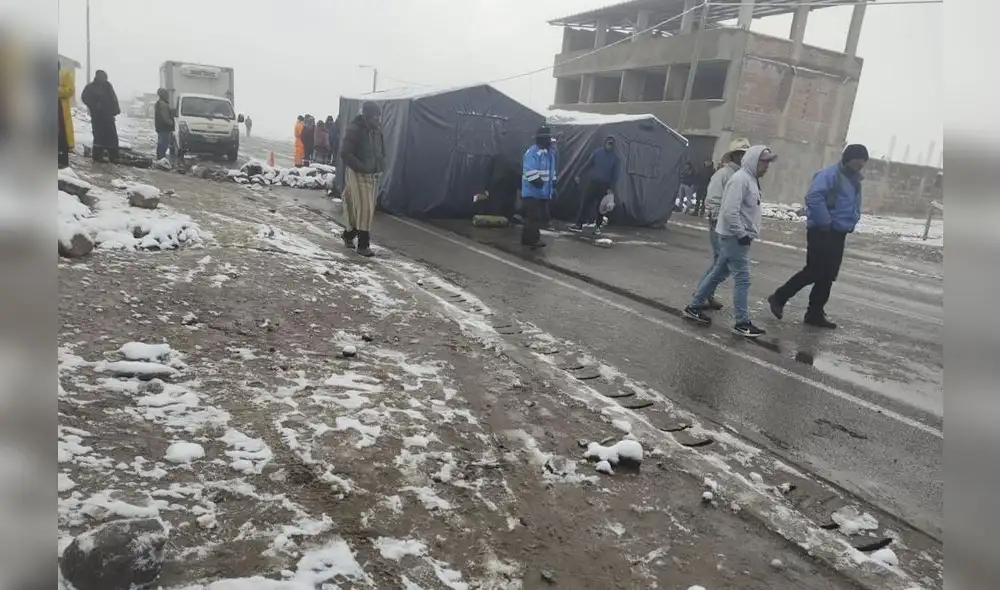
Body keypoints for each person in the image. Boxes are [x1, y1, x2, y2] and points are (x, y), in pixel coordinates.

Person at [767, 144, 868, 329]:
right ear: (848, 159)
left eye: (863, 164)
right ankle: (779, 297)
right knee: (814, 270)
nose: (860, 167)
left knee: (828, 275)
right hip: (823, 230)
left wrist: (852, 222)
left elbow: (851, 204)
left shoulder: (854, 180)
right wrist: (825, 222)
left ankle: (815, 313)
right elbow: (813, 197)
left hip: (839, 232)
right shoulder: (830, 175)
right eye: (858, 163)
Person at [683, 144, 777, 338]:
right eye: (764, 162)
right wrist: (741, 233)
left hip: (739, 237)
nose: (767, 166)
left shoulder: (750, 180)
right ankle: (742, 322)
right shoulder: (740, 180)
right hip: (734, 237)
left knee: (718, 272)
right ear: (752, 160)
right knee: (743, 279)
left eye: (768, 162)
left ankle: (694, 306)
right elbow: (729, 211)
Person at [692, 138, 750, 312]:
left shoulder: (742, 176)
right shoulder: (724, 174)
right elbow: (714, 200)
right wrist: (718, 220)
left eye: (745, 154)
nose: (743, 157)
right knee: (720, 262)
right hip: (721, 224)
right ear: (734, 156)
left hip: (731, 225)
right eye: (740, 154)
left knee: (721, 263)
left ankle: (704, 294)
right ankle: (701, 295)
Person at [339, 101, 386, 257]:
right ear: (367, 116)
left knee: (355, 207)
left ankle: (348, 234)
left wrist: (380, 166)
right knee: (365, 208)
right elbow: (345, 153)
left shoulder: (376, 131)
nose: (378, 119)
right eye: (375, 116)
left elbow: (380, 150)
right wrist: (361, 167)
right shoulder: (355, 129)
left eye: (379, 116)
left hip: (372, 174)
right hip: (357, 172)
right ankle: (363, 244)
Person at [569, 135, 619, 236]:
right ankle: (579, 225)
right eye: (609, 143)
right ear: (605, 143)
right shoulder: (597, 153)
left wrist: (611, 189)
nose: (610, 146)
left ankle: (597, 227)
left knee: (601, 208)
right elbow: (588, 164)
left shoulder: (615, 158)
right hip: (593, 183)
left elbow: (615, 175)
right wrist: (579, 174)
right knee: (585, 203)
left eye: (612, 144)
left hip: (605, 185)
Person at [520, 126, 557, 249]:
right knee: (534, 217)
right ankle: (533, 239)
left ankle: (527, 239)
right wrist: (539, 183)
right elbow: (530, 170)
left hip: (543, 192)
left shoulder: (549, 154)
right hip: (532, 191)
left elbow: (551, 171)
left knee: (534, 217)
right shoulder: (532, 152)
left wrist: (553, 185)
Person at [80, 70, 121, 163]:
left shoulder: (108, 86)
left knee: (112, 136)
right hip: (97, 116)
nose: (105, 79)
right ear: (98, 77)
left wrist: (116, 109)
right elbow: (84, 98)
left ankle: (114, 156)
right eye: (103, 77)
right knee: (99, 136)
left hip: (108, 115)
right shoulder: (90, 87)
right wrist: (94, 106)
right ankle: (97, 156)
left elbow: (113, 97)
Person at [58, 63, 75, 168]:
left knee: (61, 133)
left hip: (60, 108)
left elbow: (70, 90)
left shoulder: (64, 74)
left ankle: (62, 161)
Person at [153, 88, 175, 161]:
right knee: (163, 144)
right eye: (166, 94)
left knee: (161, 143)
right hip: (164, 128)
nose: (168, 96)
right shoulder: (163, 105)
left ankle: (160, 158)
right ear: (163, 95)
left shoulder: (159, 103)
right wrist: (171, 123)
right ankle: (161, 159)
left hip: (160, 127)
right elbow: (166, 118)